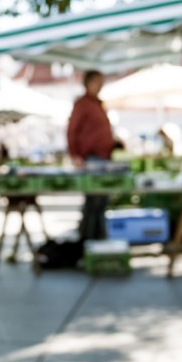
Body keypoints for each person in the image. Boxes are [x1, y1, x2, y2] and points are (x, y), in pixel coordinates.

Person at [66, 70, 114, 241]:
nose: (101, 85)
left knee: (101, 201)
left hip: (104, 158)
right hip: (92, 158)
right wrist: (74, 154)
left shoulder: (98, 104)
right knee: (94, 199)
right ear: (88, 83)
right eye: (98, 81)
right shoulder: (82, 104)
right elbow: (72, 130)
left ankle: (97, 238)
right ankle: (87, 239)